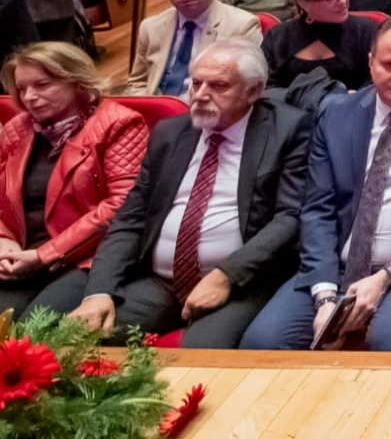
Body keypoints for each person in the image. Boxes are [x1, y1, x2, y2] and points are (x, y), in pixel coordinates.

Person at [240, 17, 391, 352]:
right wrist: (326, 294)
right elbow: (317, 206)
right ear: (371, 62)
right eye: (390, 64)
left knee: (388, 342)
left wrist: (388, 275)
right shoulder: (337, 112)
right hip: (335, 264)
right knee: (262, 342)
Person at [71, 40, 311, 348]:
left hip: (240, 281)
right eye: (196, 83)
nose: (200, 95)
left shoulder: (286, 131)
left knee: (202, 352)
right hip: (161, 281)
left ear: (253, 91)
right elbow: (131, 219)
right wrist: (99, 291)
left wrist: (227, 274)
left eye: (218, 86)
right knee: (84, 337)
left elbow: (290, 217)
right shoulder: (170, 133)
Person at [0, 43, 147, 319]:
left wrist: (45, 254)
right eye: (22, 88)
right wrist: (3, 239)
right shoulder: (18, 128)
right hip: (20, 255)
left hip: (86, 259)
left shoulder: (119, 124)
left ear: (77, 81)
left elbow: (121, 206)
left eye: (42, 85)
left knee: (34, 330)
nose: (30, 96)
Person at [128, 0, 262, 96]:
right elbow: (138, 82)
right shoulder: (150, 27)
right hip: (155, 108)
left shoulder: (242, 26)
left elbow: (245, 87)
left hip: (209, 110)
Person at [262, 0, 377, 92]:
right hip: (290, 109)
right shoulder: (278, 36)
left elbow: (375, 79)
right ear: (303, 3)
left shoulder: (365, 30)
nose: (343, 1)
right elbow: (266, 84)